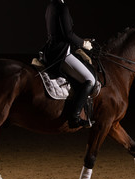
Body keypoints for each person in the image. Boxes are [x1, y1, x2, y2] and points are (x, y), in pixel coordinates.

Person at [42, 0, 95, 129]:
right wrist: (84, 44)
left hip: (51, 50)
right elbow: (68, 34)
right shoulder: (62, 7)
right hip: (61, 53)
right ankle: (75, 117)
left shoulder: (51, 5)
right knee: (90, 79)